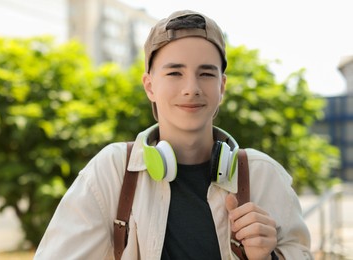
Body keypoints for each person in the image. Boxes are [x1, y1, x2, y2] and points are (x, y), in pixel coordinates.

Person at [34, 10, 313, 260]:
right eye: (174, 73)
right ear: (149, 86)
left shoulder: (263, 175)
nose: (191, 88)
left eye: (206, 73)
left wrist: (267, 259)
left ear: (222, 87)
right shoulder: (110, 172)